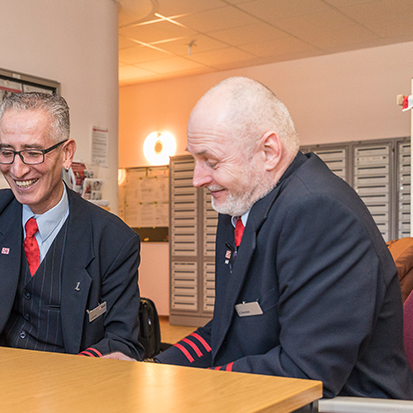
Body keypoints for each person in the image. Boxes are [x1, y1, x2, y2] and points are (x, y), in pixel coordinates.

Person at [154, 77, 413, 398]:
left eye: (212, 161)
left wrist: (197, 385)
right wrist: (153, 368)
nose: (198, 179)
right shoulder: (241, 203)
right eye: (194, 159)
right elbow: (225, 329)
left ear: (269, 152)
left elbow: (305, 373)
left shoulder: (319, 213)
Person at [0, 92, 142, 360]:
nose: (18, 170)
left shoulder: (114, 239)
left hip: (71, 389)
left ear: (67, 154)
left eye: (33, 153)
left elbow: (123, 343)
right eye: (7, 152)